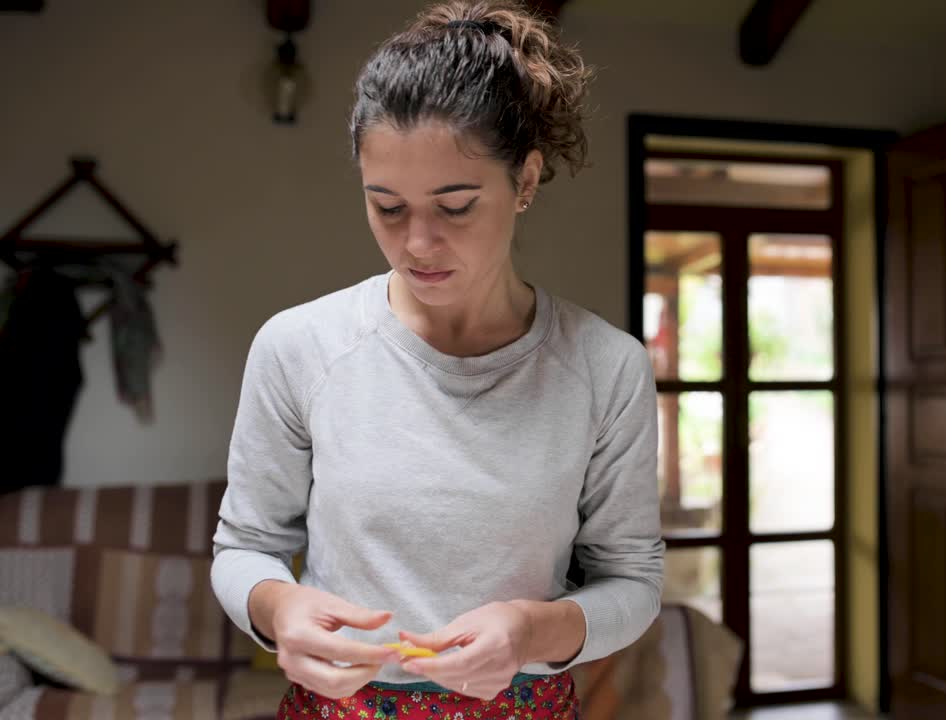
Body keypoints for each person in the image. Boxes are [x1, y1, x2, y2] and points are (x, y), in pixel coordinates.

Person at [210, 3, 664, 718]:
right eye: (387, 207)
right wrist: (278, 611)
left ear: (525, 181)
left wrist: (531, 630)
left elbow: (633, 581)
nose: (417, 244)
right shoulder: (298, 347)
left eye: (455, 206)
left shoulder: (605, 368)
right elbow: (244, 547)